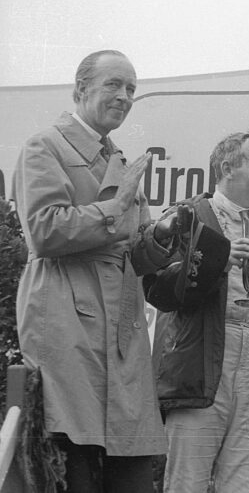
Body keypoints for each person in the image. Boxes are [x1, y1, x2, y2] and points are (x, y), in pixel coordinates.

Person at [13, 50, 178, 492]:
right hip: (65, 320)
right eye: (114, 85)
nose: (124, 96)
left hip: (121, 328)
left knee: (132, 466)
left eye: (131, 89)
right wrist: (117, 205)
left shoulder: (120, 160)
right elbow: (44, 232)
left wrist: (164, 240)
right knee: (73, 461)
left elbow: (135, 251)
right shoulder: (43, 146)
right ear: (80, 88)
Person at [147, 131, 249, 493]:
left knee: (242, 484)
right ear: (227, 168)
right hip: (200, 364)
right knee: (186, 483)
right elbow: (159, 291)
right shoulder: (185, 217)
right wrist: (217, 262)